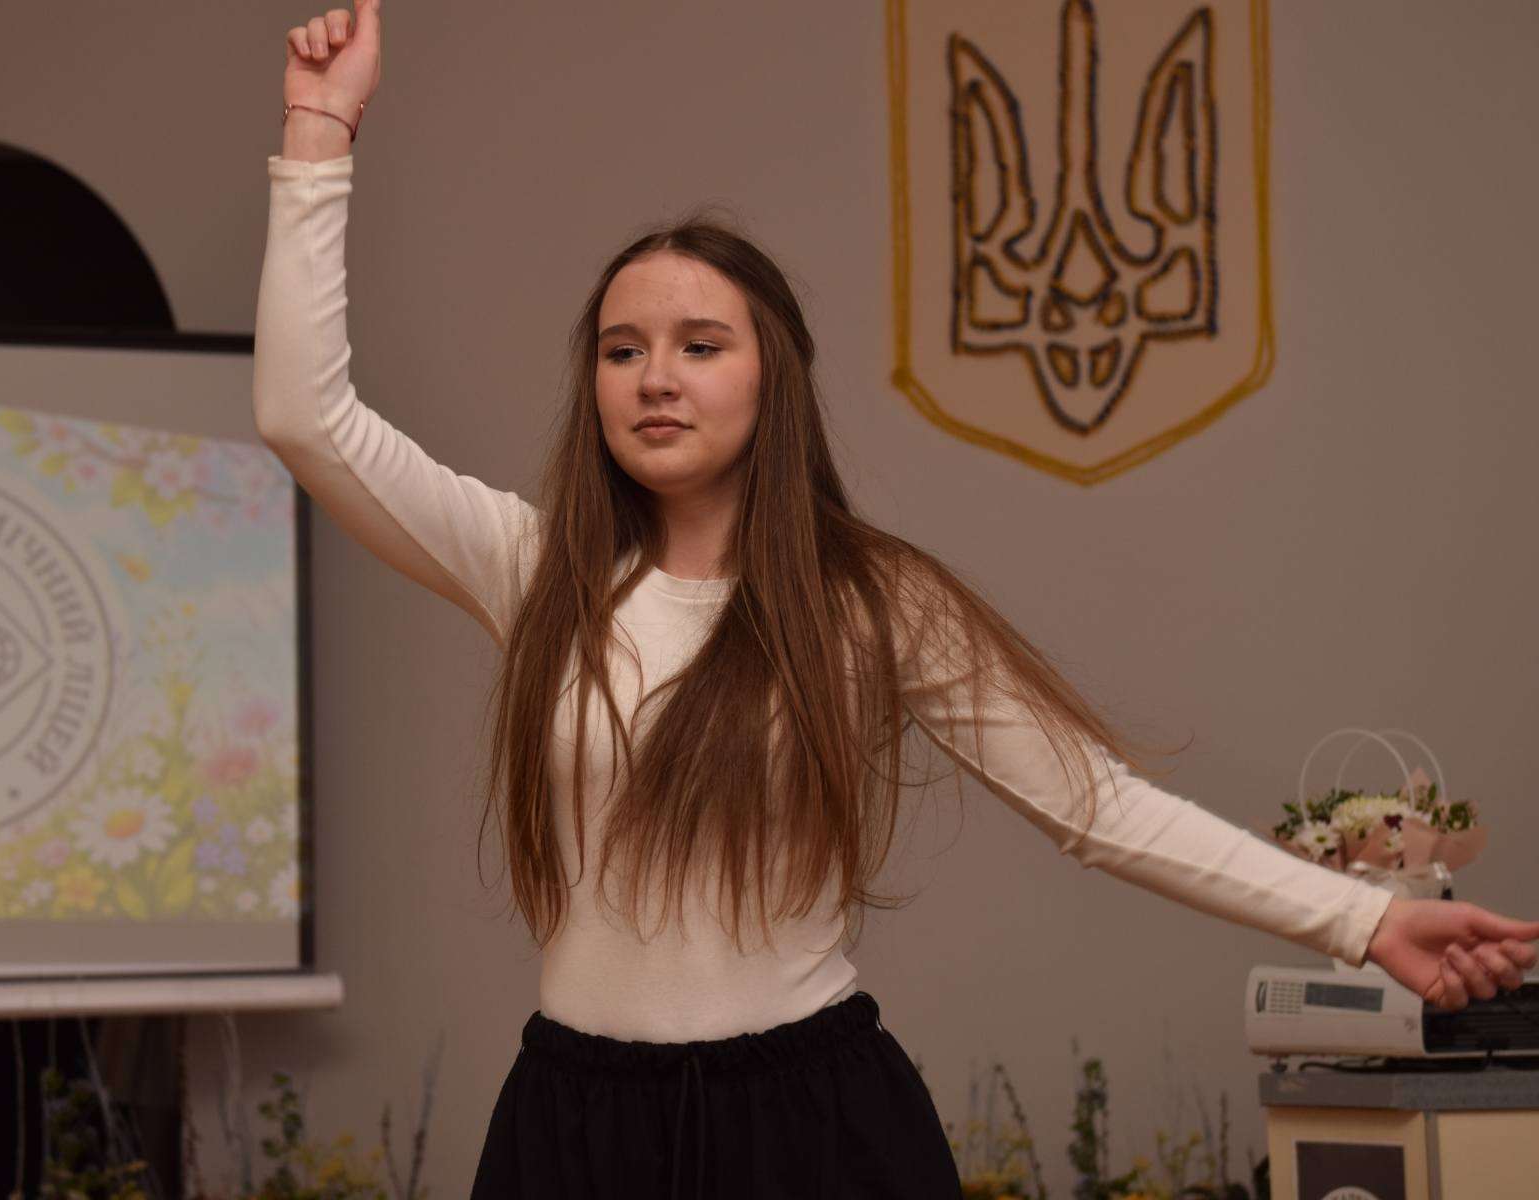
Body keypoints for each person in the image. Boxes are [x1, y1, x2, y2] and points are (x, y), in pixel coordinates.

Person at [255, 5, 1539, 1196]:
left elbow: (1098, 806)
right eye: (622, 350)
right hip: (575, 1129)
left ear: (773, 377)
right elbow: (306, 419)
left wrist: (1366, 918)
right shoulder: (535, 570)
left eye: (701, 346)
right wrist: (320, 131)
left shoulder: (871, 603)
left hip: (812, 1125)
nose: (656, 379)